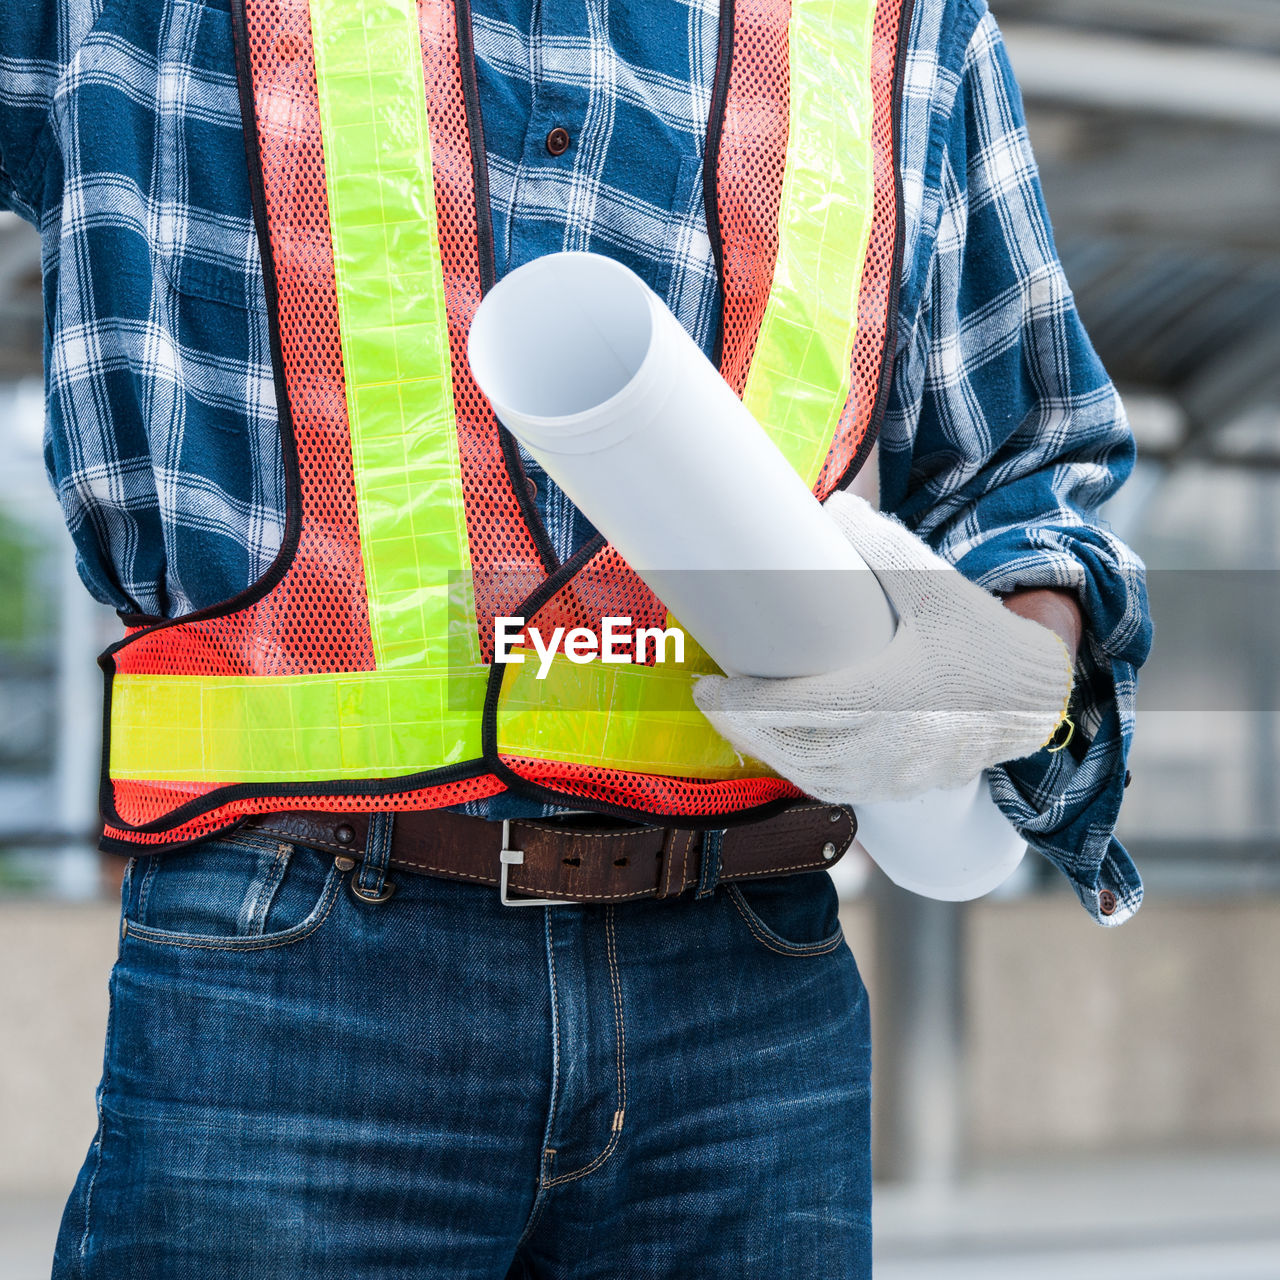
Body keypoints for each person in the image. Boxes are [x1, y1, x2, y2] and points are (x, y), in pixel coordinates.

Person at [1, 0, 1151, 1274]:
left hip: (749, 982)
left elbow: (1033, 464)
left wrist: (1011, 664)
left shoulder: (899, 24)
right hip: (292, 970)